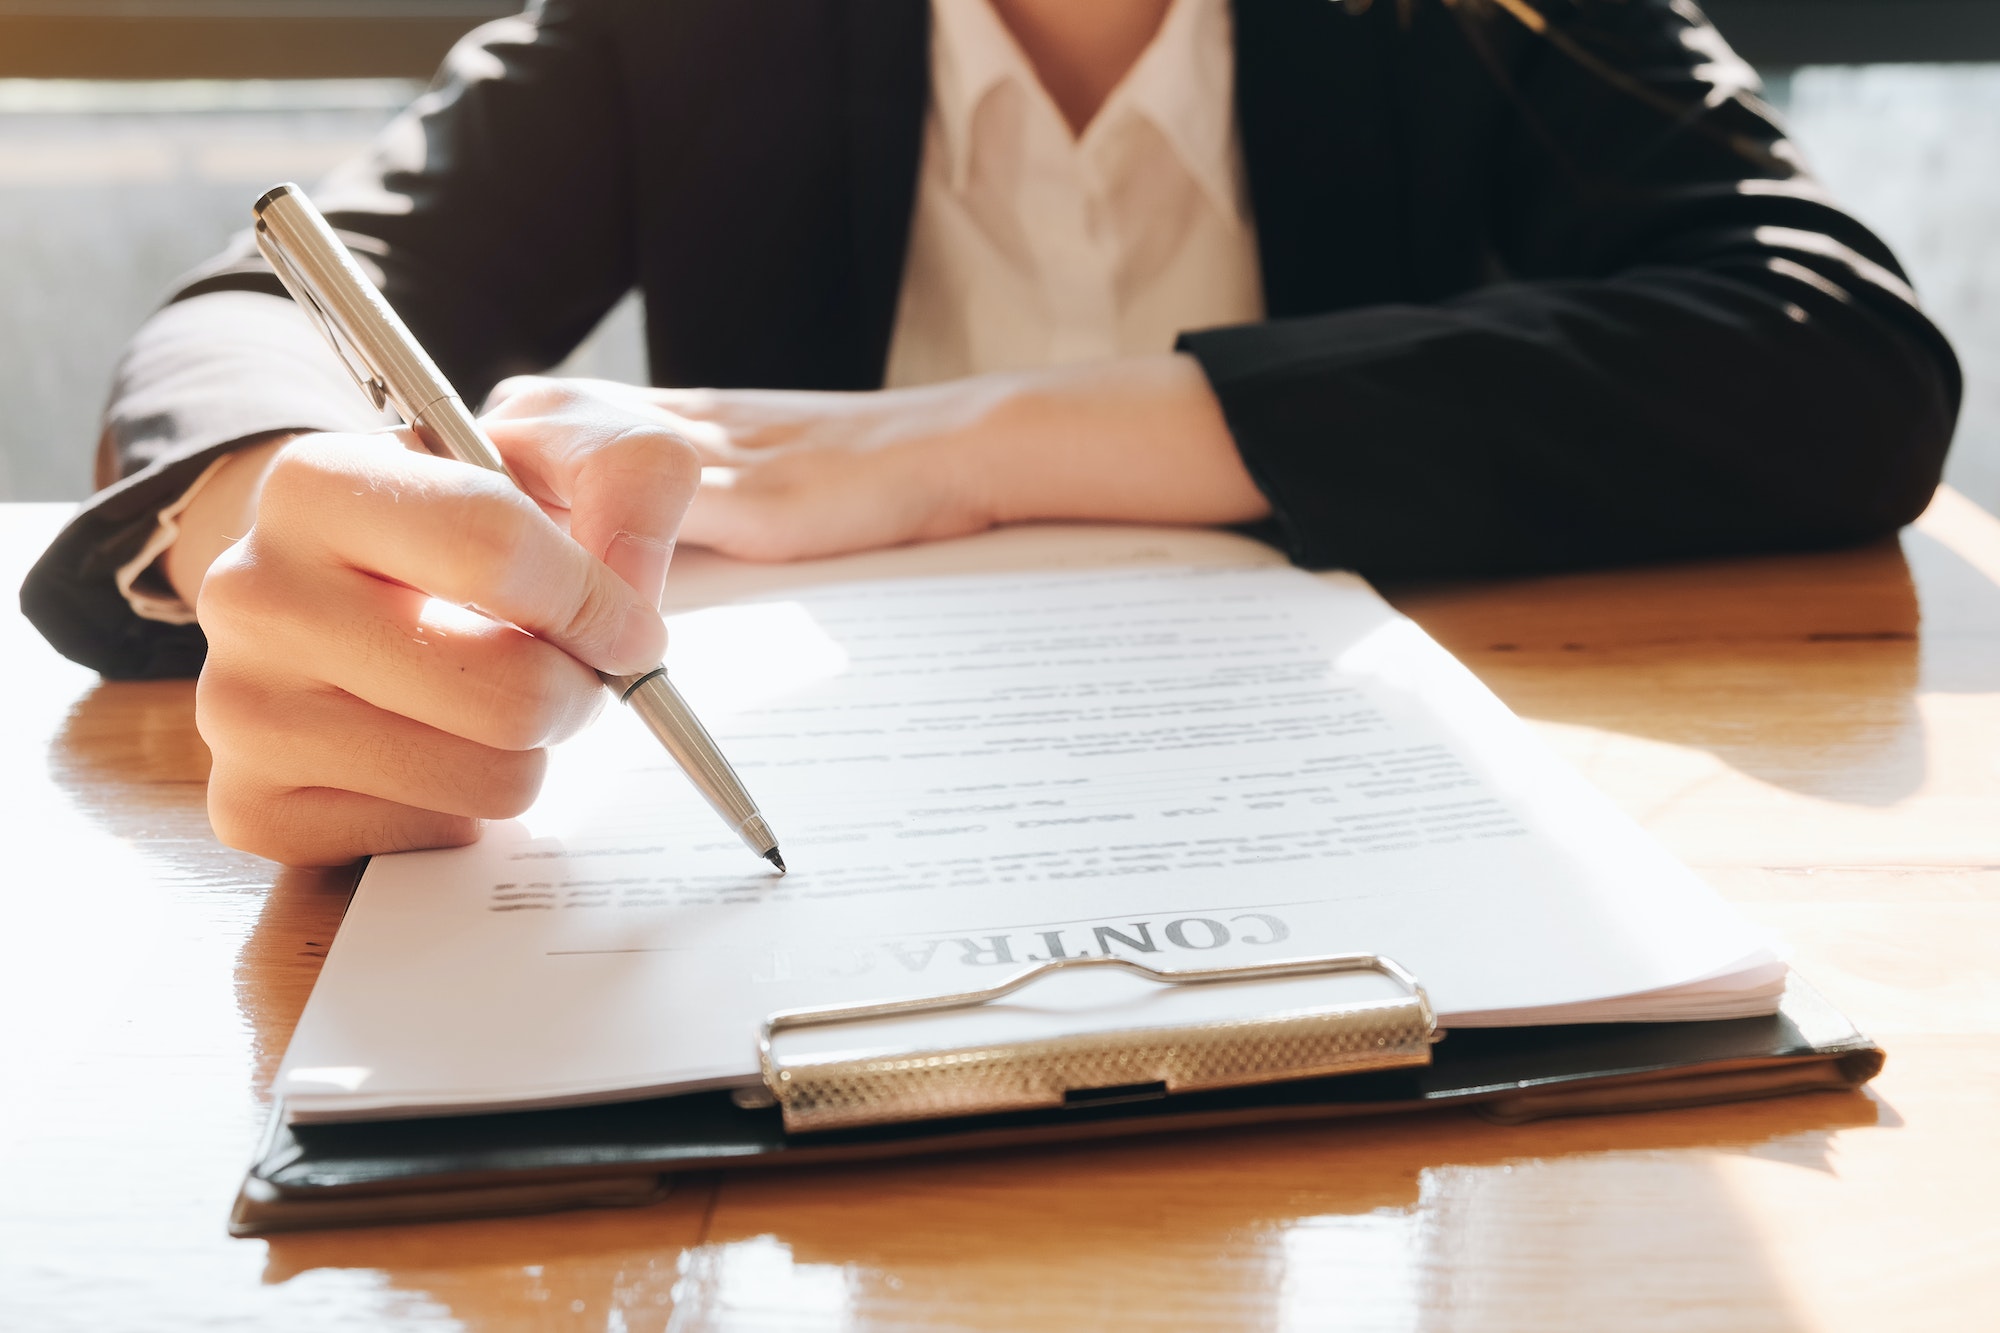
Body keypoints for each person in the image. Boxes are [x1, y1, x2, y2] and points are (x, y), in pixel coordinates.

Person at [20, 0, 1960, 867]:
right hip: (836, 873)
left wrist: (952, 448)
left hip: (1371, 843)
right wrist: (273, 522)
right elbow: (261, 322)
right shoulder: (697, 23)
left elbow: (1828, 347)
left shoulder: (1480, 12)